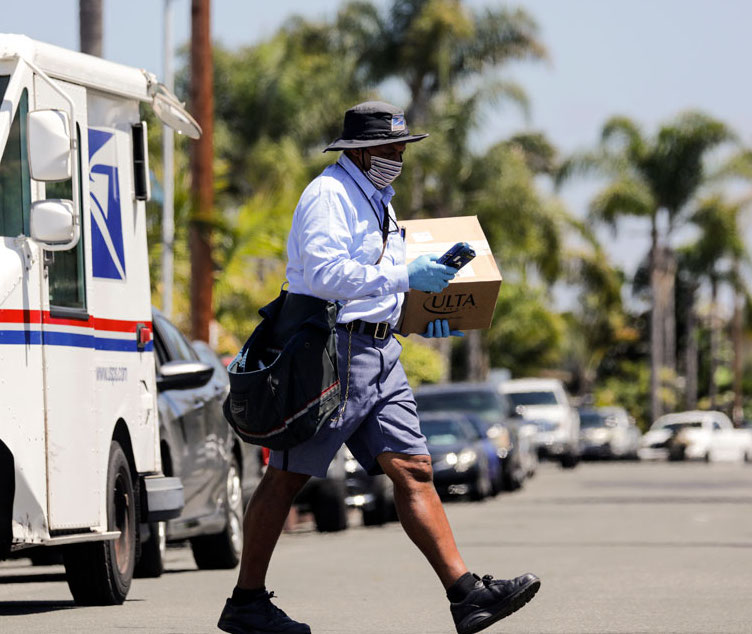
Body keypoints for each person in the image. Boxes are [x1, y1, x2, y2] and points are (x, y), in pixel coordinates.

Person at [218, 101, 540, 634]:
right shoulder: (330, 194)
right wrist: (407, 277)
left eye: (402, 147)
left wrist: (422, 314)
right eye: (389, 147)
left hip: (378, 352)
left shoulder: (380, 201)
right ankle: (247, 601)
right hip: (330, 352)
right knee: (287, 476)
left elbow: (384, 283)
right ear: (359, 149)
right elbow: (324, 274)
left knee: (414, 469)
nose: (397, 156)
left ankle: (465, 595)